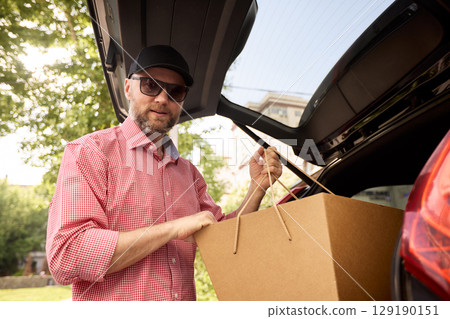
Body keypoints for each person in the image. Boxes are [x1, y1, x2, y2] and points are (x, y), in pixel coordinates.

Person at [46, 45, 282, 301]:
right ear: (128, 88)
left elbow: (225, 237)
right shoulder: (89, 152)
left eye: (175, 91)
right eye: (150, 85)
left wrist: (257, 187)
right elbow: (67, 256)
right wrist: (173, 229)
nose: (162, 98)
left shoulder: (189, 172)